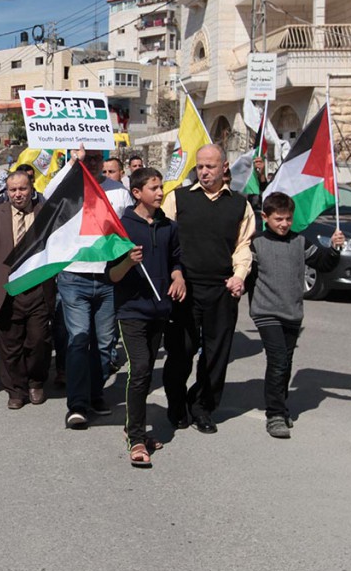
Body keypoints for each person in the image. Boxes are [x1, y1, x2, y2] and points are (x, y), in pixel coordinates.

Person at [161, 143, 255, 433]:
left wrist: (239, 275)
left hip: (221, 290)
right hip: (184, 289)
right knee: (180, 353)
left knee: (216, 355)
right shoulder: (177, 199)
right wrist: (173, 275)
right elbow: (163, 239)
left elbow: (243, 245)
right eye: (200, 166)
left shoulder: (240, 204)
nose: (204, 172)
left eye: (210, 166)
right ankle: (176, 406)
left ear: (224, 167)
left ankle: (202, 406)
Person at [45, 148, 131, 429]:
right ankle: (77, 404)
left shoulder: (118, 192)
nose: (92, 162)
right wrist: (73, 162)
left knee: (105, 343)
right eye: (87, 158)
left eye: (96, 158)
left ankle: (96, 393)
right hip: (73, 277)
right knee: (79, 340)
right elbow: (47, 194)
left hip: (107, 278)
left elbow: (127, 228)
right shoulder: (69, 184)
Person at [247, 192, 343, 439]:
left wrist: (334, 248)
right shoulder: (256, 243)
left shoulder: (300, 242)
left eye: (288, 219)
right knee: (278, 360)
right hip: (266, 311)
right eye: (278, 219)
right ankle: (275, 414)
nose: (284, 224)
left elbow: (323, 263)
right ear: (265, 217)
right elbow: (245, 273)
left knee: (285, 362)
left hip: (292, 311)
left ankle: (281, 404)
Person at [107, 168, 185, 468]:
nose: (160, 192)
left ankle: (132, 423)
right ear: (137, 193)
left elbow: (176, 258)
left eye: (161, 187)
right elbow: (112, 275)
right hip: (131, 311)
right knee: (139, 370)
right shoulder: (122, 227)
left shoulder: (168, 226)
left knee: (147, 369)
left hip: (160, 310)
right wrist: (128, 260)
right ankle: (137, 438)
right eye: (154, 188)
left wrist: (178, 276)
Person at [0, 171, 55, 409]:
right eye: (13, 190)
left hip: (38, 287)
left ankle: (36, 382)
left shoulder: (45, 214)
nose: (18, 194)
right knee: (10, 344)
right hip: (5, 290)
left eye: (23, 189)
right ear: (7, 191)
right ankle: (15, 390)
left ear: (32, 188)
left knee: (38, 341)